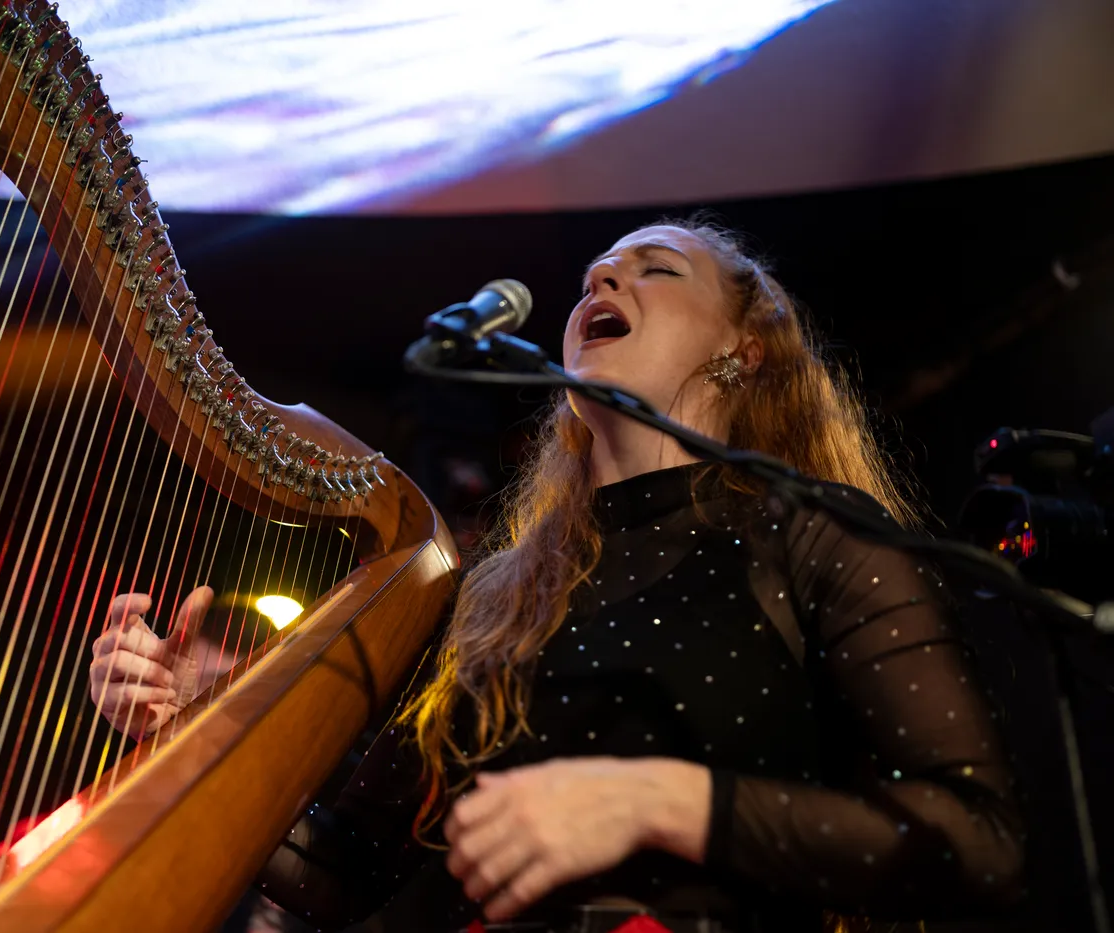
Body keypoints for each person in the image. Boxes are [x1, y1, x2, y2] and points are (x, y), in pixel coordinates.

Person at [89, 221, 1024, 933]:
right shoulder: (493, 597)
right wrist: (192, 731)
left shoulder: (816, 534)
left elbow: (977, 840)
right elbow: (341, 877)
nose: (603, 280)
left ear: (746, 350)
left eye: (657, 269)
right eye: (594, 277)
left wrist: (656, 801)